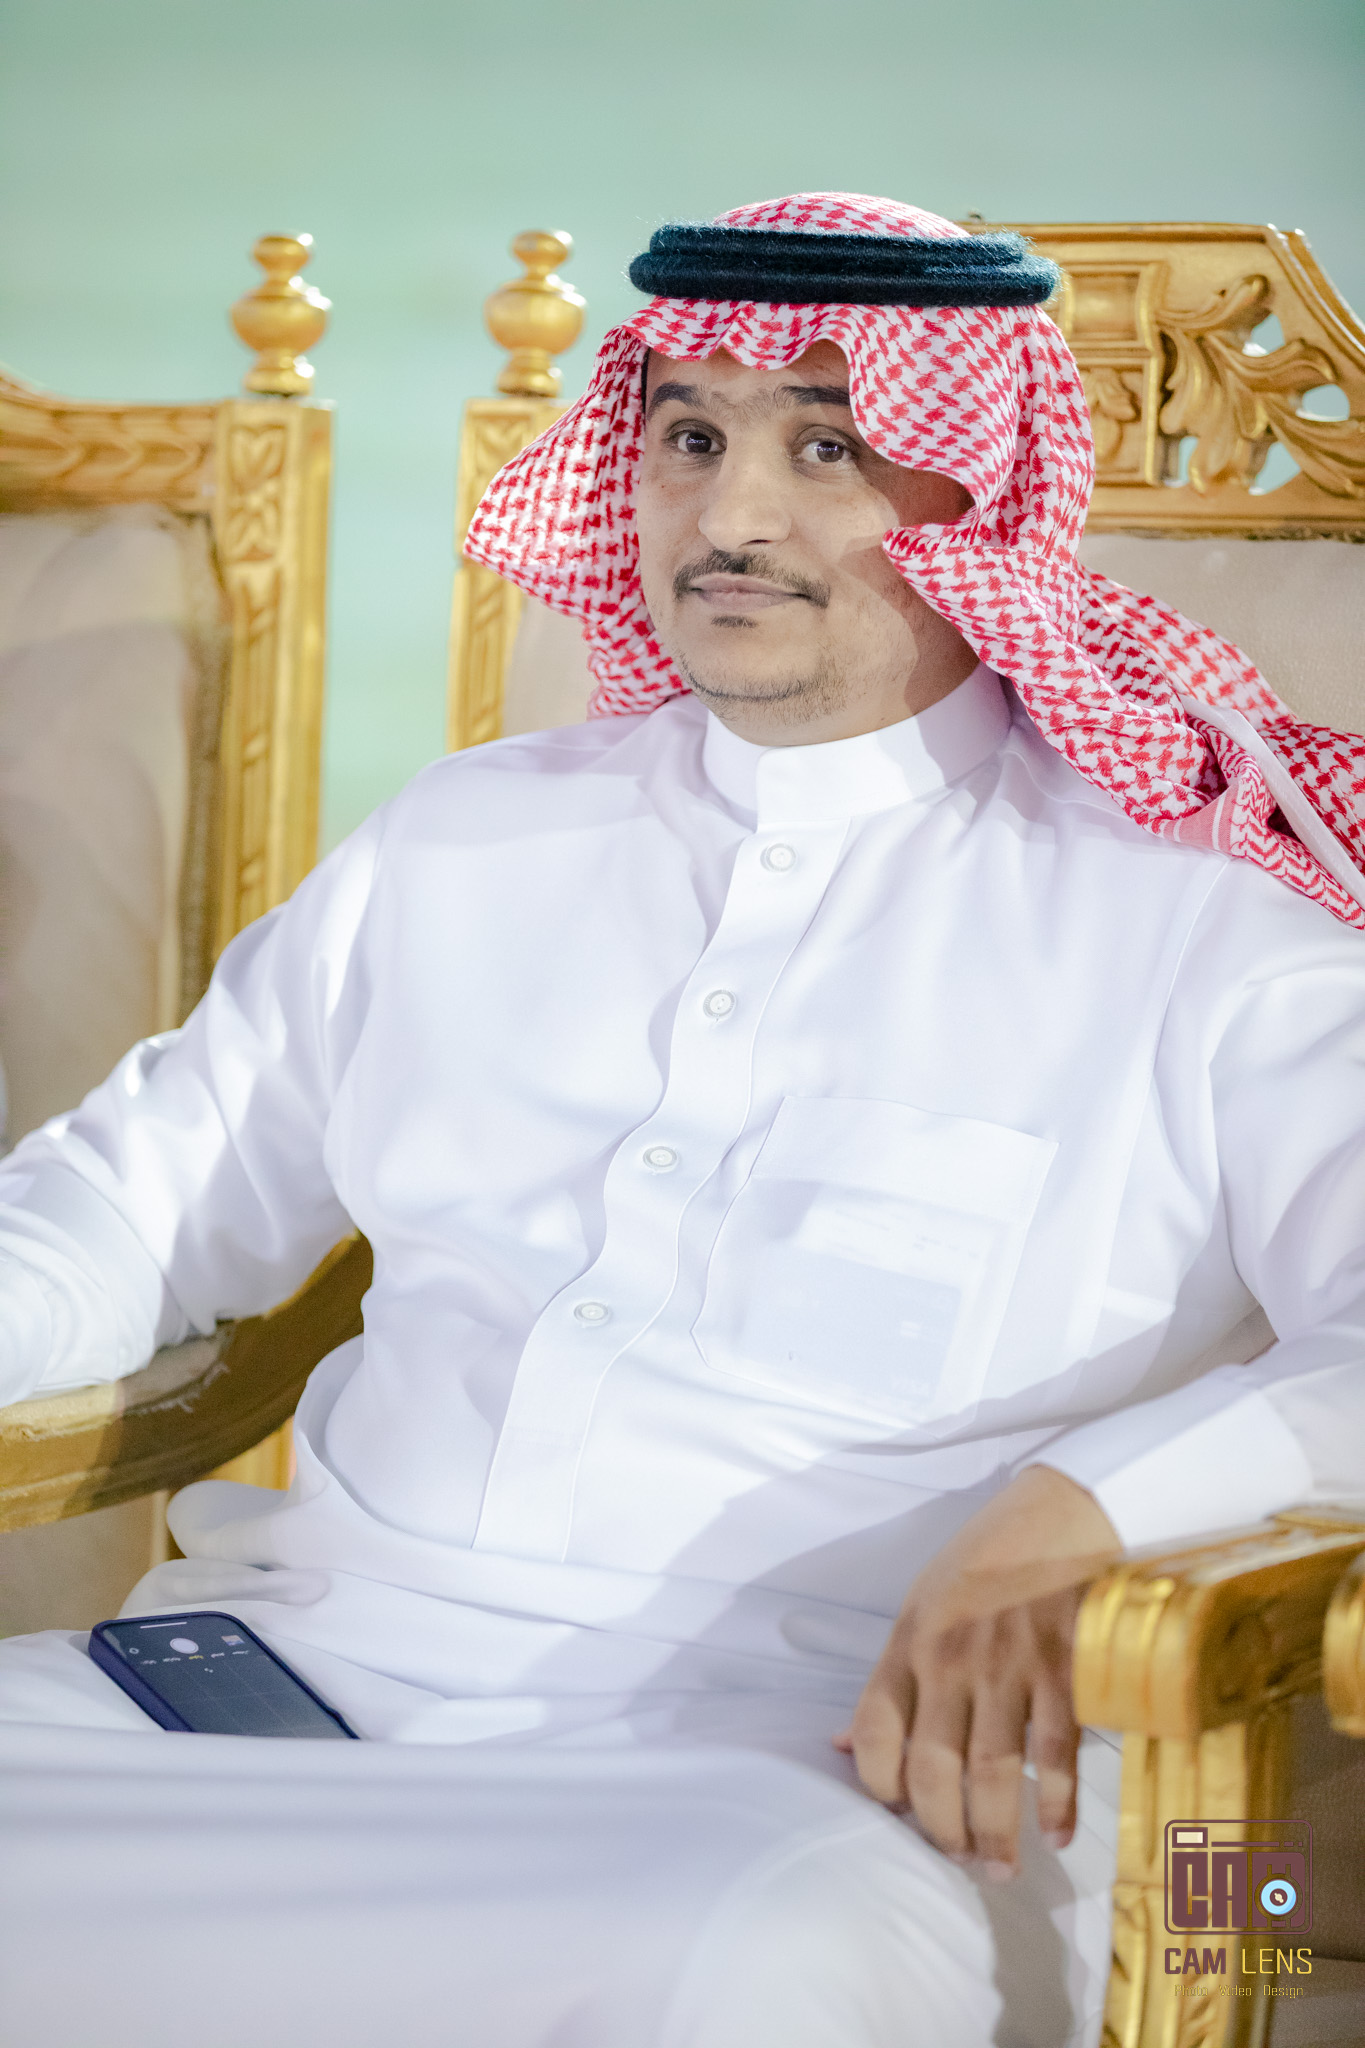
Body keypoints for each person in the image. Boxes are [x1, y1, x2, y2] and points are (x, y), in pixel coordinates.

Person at [1, 192, 1364, 2048]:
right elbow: (132, 1205)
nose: (732, 516)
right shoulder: (465, 836)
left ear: (983, 490)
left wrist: (1091, 1510)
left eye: (828, 446)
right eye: (692, 438)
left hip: (801, 1776)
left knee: (732, 1965)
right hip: (278, 1689)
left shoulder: (1205, 914)